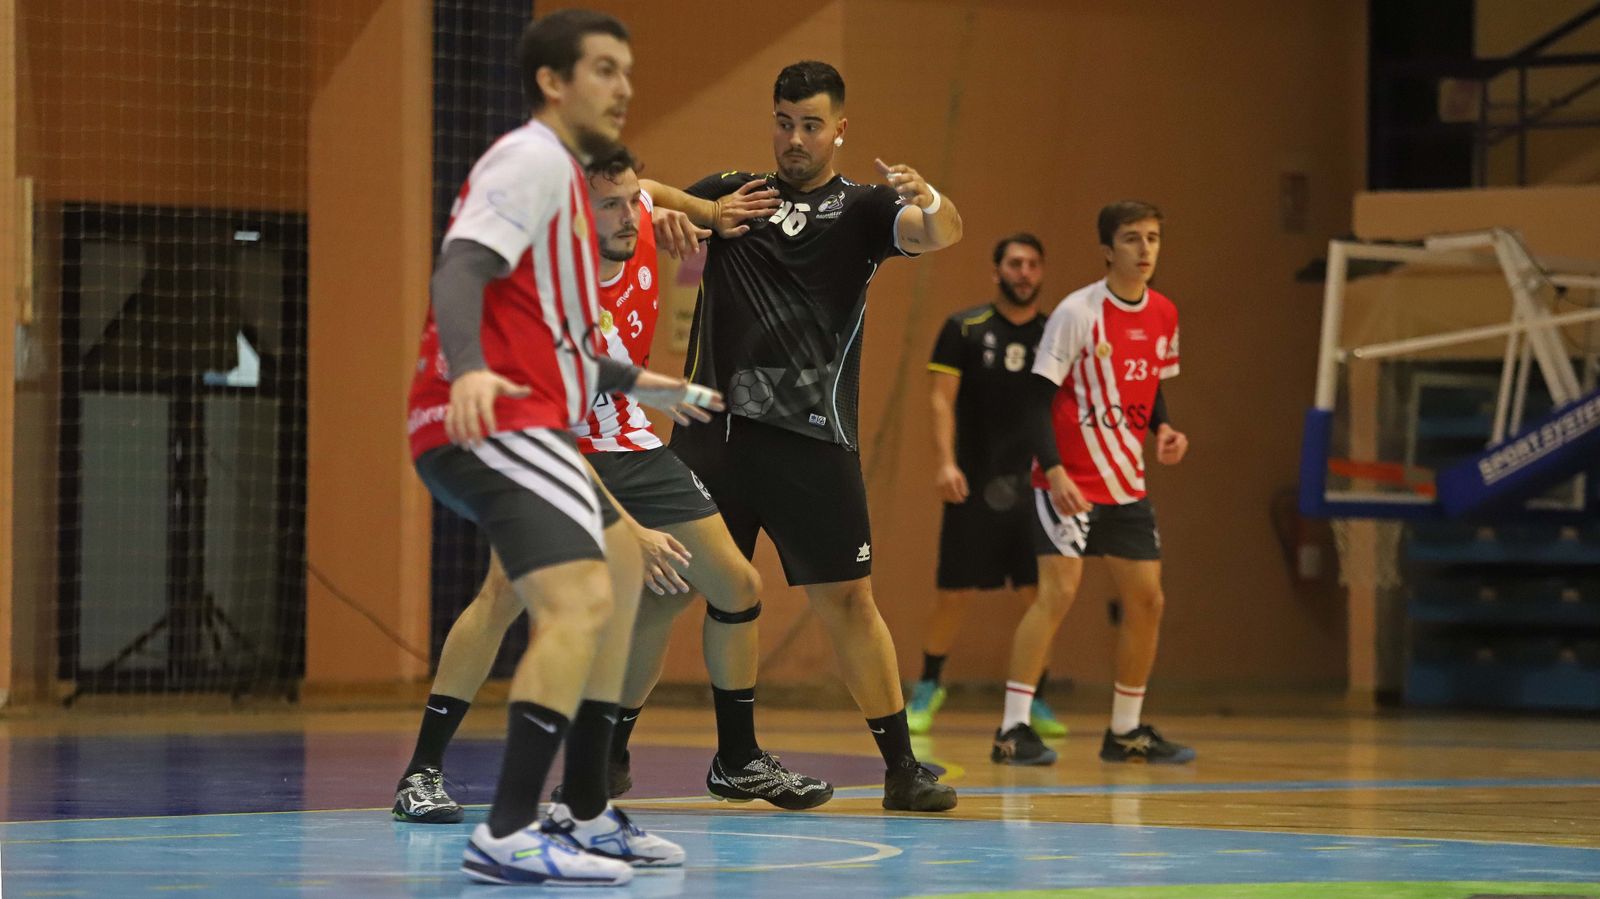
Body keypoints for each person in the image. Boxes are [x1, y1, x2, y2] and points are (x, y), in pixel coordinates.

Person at [393, 146, 833, 820]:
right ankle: (421, 771)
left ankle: (730, 760)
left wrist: (709, 210)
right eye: (612, 206)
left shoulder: (641, 212)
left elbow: (655, 188)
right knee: (504, 591)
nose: (632, 216)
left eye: (632, 202)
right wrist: (631, 532)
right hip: (552, 446)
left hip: (628, 440)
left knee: (732, 585)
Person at [402, 10, 717, 885]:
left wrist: (649, 385)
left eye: (627, 70)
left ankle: (584, 811)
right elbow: (460, 265)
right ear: (553, 82)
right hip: (488, 412)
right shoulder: (530, 158)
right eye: (605, 69)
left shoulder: (575, 208)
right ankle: (503, 831)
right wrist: (466, 371)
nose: (623, 87)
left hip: (531, 412)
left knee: (615, 574)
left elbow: (574, 347)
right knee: (577, 596)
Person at [664, 60, 965, 812]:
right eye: (782, 121)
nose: (794, 138)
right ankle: (615, 760)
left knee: (851, 602)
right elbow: (633, 204)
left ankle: (901, 766)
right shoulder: (732, 190)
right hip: (712, 435)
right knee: (661, 590)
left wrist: (930, 198)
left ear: (839, 129)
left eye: (810, 124)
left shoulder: (863, 209)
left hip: (811, 439)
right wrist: (689, 212)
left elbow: (940, 232)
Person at [991, 200, 1193, 767]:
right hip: (1069, 481)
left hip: (1127, 482)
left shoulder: (1164, 314)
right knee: (1057, 595)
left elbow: (1150, 384)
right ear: (1108, 249)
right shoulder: (1078, 313)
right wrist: (1053, 471)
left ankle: (1125, 730)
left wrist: (1165, 429)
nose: (1145, 249)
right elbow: (1035, 399)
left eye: (1153, 237)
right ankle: (1012, 729)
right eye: (1132, 239)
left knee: (1148, 600)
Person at [905, 233, 1067, 739]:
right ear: (996, 272)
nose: (1024, 272)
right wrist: (945, 463)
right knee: (953, 594)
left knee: (1039, 595)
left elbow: (1063, 410)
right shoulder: (964, 328)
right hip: (972, 484)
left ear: (1041, 273)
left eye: (1033, 264)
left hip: (1035, 487)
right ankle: (929, 686)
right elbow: (940, 401)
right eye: (1015, 264)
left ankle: (1032, 694)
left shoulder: (1055, 334)